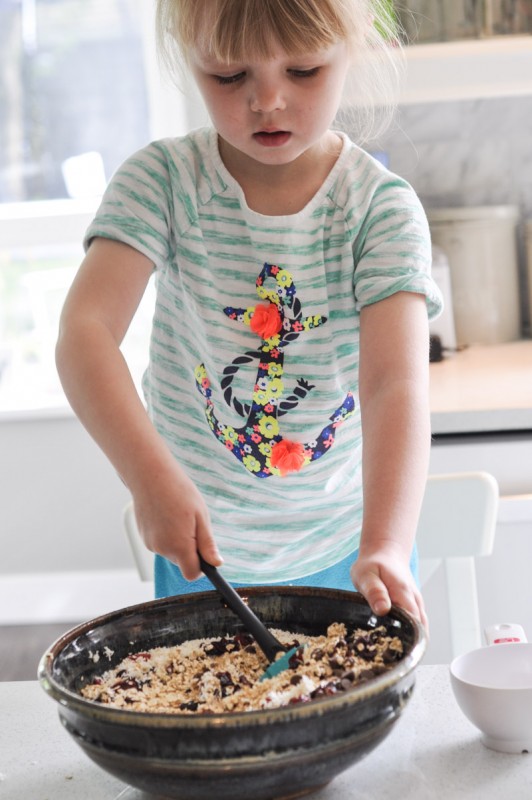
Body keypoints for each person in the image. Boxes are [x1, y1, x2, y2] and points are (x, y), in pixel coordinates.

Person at [56, 0, 442, 629]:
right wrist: (148, 478)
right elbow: (85, 333)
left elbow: (394, 385)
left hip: (353, 549)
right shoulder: (164, 184)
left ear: (355, 46)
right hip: (203, 554)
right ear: (190, 56)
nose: (267, 101)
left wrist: (387, 544)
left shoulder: (380, 212)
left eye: (304, 71)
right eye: (230, 76)